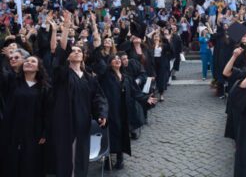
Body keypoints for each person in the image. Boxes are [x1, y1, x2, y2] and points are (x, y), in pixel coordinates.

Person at [48, 11, 108, 177]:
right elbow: (59, 56)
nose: (76, 52)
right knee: (65, 158)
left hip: (82, 123)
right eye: (72, 51)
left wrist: (101, 113)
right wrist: (66, 28)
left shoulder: (89, 77)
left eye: (79, 51)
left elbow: (98, 97)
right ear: (68, 57)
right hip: (64, 122)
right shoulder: (63, 74)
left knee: (80, 157)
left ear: (83, 57)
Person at [95, 54, 157, 170]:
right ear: (109, 63)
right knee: (109, 134)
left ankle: (120, 159)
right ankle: (107, 159)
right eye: (114, 58)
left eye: (119, 59)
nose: (117, 60)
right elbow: (99, 64)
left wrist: (146, 98)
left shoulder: (126, 77)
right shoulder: (105, 76)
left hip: (123, 111)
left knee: (122, 133)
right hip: (110, 110)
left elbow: (135, 92)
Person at [0, 55, 51, 177]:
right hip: (12, 129)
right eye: (26, 61)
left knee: (30, 163)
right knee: (11, 162)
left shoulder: (44, 88)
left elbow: (47, 112)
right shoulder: (13, 82)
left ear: (38, 68)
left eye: (33, 61)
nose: (28, 63)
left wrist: (44, 132)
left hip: (34, 131)